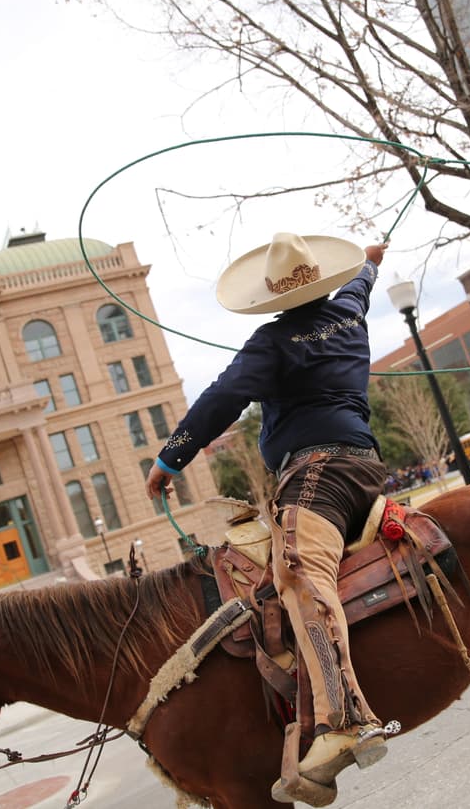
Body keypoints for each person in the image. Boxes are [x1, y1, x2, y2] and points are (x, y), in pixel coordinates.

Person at [145, 231, 389, 802]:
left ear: (273, 294)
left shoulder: (272, 341)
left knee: (299, 574)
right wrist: (371, 262)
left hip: (319, 474)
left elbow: (222, 398)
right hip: (364, 466)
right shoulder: (349, 311)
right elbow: (361, 282)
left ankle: (344, 721)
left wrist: (169, 458)